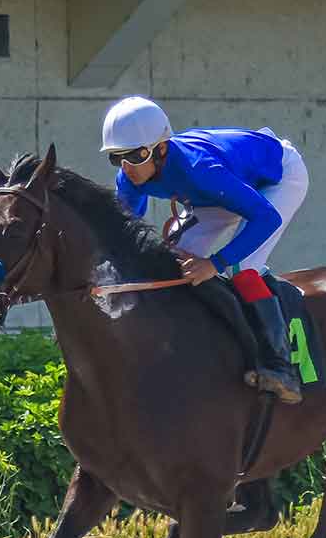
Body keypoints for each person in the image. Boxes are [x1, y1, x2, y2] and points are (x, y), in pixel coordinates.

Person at [102, 95, 309, 404]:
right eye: (117, 158)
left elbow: (266, 218)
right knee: (172, 263)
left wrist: (215, 263)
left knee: (242, 267)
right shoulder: (130, 176)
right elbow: (125, 228)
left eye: (134, 155)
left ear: (161, 149)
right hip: (218, 191)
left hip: (278, 176)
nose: (126, 167)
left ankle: (281, 367)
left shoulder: (200, 168)